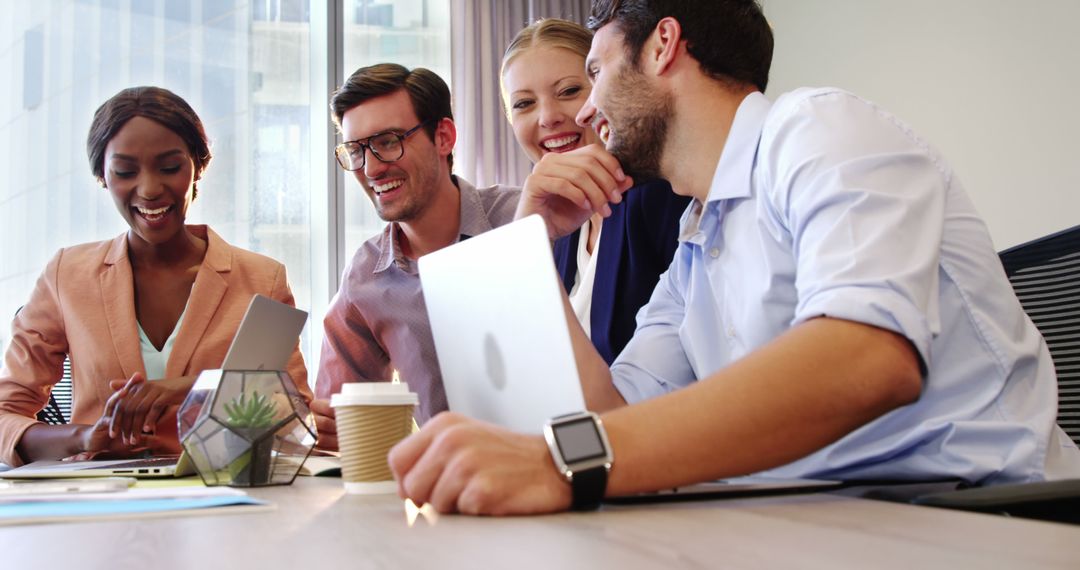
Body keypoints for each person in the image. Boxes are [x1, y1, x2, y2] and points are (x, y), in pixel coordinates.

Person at [388, 0, 1080, 515]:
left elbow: (868, 360)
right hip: (822, 519)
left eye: (594, 73)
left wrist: (559, 463)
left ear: (663, 45)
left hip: (983, 516)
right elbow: (614, 414)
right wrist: (533, 250)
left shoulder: (818, 129)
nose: (587, 108)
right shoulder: (697, 241)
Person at [0, 86, 310, 467]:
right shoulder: (67, 275)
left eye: (169, 168)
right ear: (102, 176)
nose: (149, 189)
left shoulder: (262, 280)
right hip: (100, 491)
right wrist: (84, 436)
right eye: (125, 172)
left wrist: (188, 389)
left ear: (198, 166)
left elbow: (293, 417)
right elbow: (5, 414)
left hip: (216, 490)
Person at [312, 64, 521, 451]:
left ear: (443, 137)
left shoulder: (525, 219)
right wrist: (332, 428)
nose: (372, 168)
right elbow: (336, 424)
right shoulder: (365, 277)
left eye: (388, 141)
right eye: (356, 150)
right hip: (445, 481)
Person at [501, 18, 689, 364]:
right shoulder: (560, 215)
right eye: (524, 104)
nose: (547, 117)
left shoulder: (658, 193)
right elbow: (518, 356)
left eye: (569, 91)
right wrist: (528, 234)